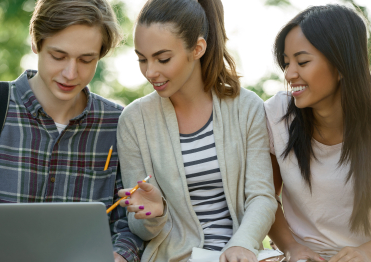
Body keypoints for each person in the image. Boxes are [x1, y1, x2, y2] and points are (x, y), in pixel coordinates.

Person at [0, 0, 143, 261]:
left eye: (86, 60)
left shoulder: (118, 124)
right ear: (35, 42)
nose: (70, 73)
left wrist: (121, 255)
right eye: (58, 56)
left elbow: (129, 223)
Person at [116, 0, 277, 261]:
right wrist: (154, 213)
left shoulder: (247, 107)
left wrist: (243, 244)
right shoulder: (134, 120)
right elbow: (140, 230)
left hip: (239, 254)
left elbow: (262, 196)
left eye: (163, 58)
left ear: (197, 48)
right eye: (142, 59)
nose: (150, 71)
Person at [264, 4, 371, 262]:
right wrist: (291, 247)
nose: (289, 74)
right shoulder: (277, 114)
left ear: (342, 65)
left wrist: (364, 252)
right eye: (287, 63)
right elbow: (263, 197)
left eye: (302, 62)